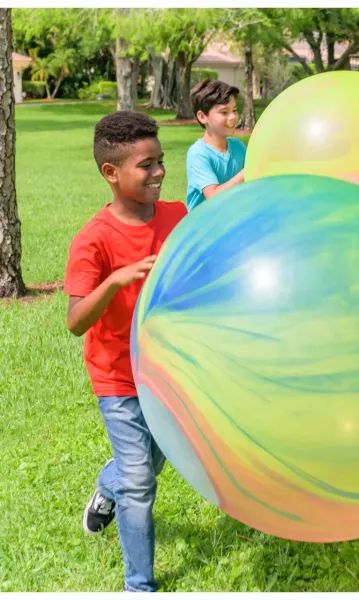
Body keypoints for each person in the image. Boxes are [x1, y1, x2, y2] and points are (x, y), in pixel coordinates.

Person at [63, 111, 187, 592]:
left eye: (161, 161)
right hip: (119, 376)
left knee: (152, 461)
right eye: (146, 165)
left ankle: (108, 486)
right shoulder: (94, 239)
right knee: (140, 481)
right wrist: (116, 280)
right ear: (110, 172)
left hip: (170, 370)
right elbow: (76, 321)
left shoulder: (178, 216)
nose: (159, 171)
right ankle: (139, 586)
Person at [186, 79, 246, 211]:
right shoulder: (198, 153)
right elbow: (213, 196)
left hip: (231, 219)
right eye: (224, 112)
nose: (233, 117)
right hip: (205, 222)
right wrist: (246, 173)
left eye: (234, 110)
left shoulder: (238, 146)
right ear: (203, 117)